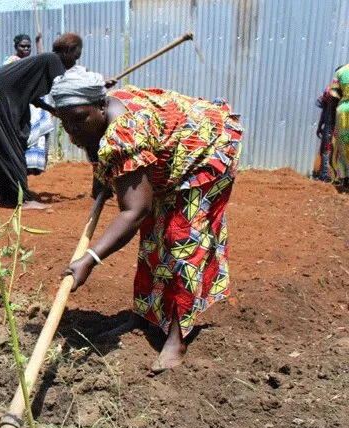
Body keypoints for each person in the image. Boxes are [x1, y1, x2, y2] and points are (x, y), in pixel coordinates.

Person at [51, 68, 243, 373]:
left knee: (182, 239)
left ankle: (177, 338)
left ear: (100, 105)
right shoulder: (100, 119)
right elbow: (98, 149)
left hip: (206, 149)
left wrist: (90, 258)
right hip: (170, 151)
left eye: (77, 119)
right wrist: (103, 178)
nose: (71, 131)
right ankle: (143, 315)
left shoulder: (125, 131)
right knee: (152, 235)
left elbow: (133, 210)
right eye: (64, 123)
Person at [0, 34, 83, 209]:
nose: (75, 61)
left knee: (1, 145)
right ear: (68, 50)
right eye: (76, 55)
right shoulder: (53, 59)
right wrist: (97, 88)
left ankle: (4, 195)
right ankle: (22, 198)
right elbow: (66, 88)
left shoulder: (42, 61)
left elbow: (30, 93)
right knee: (11, 144)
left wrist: (51, 110)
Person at [2, 34, 54, 176]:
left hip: (35, 104)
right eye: (22, 46)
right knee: (23, 136)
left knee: (37, 136)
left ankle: (31, 166)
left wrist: (38, 44)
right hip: (19, 105)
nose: (25, 49)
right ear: (16, 47)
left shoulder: (32, 61)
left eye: (28, 46)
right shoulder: (11, 61)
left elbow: (43, 62)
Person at [316, 65, 349, 191]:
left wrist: (321, 125)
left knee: (335, 148)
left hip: (338, 118)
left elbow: (329, 102)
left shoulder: (340, 74)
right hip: (335, 118)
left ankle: (333, 177)